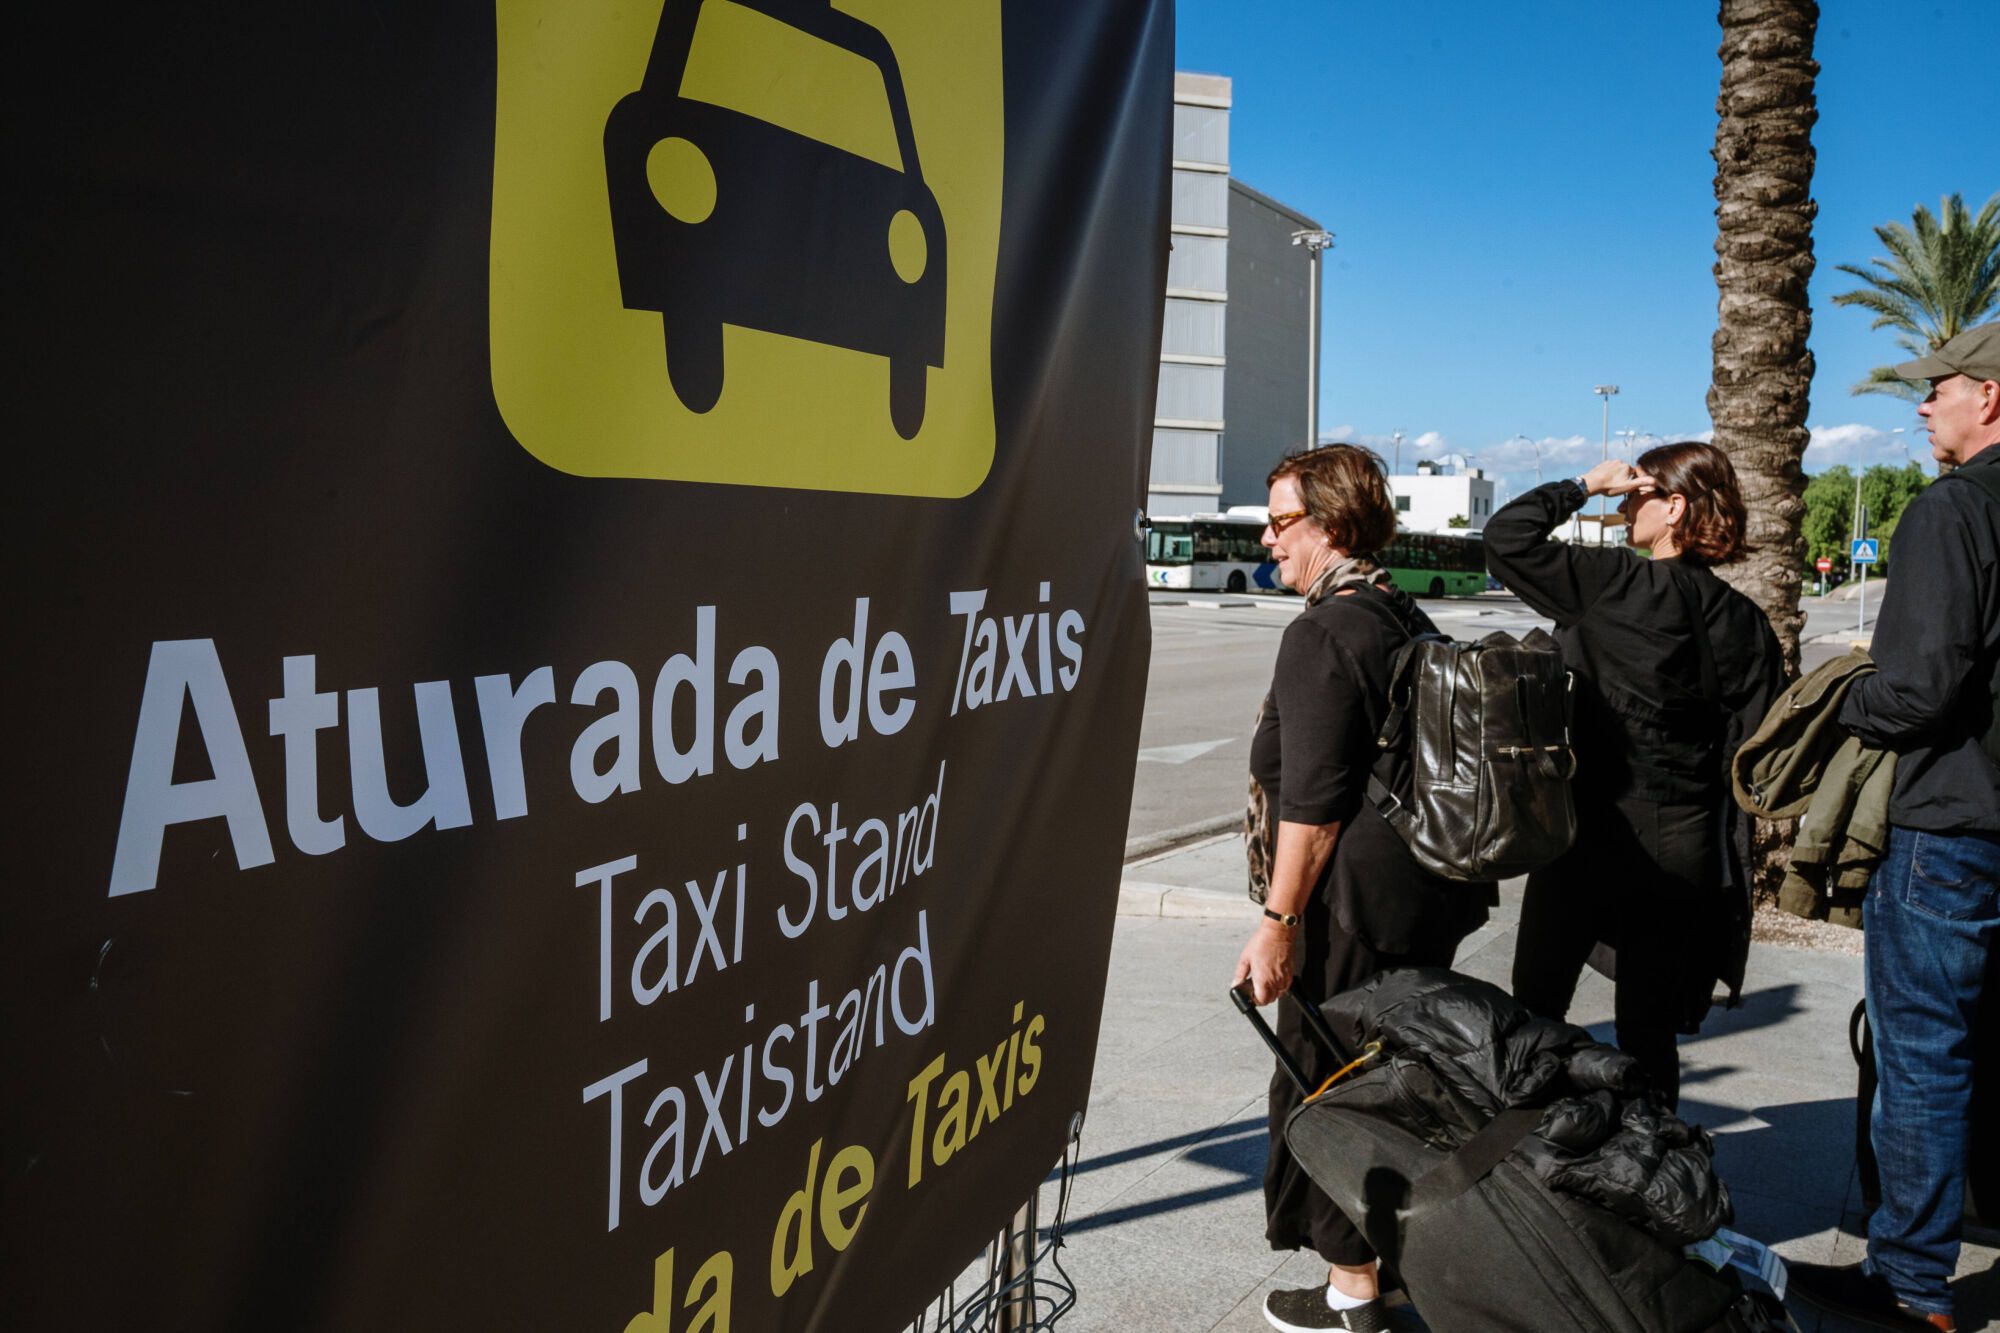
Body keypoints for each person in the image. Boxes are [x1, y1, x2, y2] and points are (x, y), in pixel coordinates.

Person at [1232, 444, 1493, 1333]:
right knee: (1392, 1079)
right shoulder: (1398, 611)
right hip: (1418, 890)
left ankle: (1352, 1295)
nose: (1268, 540)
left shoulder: (1323, 630)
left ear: (1330, 525)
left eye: (1279, 520)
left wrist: (1278, 921)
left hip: (1348, 904)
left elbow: (1312, 805)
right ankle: (1388, 1269)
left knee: (1328, 1088)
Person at [1787, 323, 2000, 1333]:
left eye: (1936, 389)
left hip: (1954, 829)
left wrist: (1842, 700)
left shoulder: (1951, 510)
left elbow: (1915, 693)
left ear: (1988, 397)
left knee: (1920, 1055)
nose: (1921, 406)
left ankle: (1910, 1283)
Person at [1484, 441, 1781, 1109]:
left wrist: (1583, 484)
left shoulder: (1615, 583)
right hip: (1686, 839)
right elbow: (1755, 745)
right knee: (1648, 1030)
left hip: (1589, 829)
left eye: (1636, 493)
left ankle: (1529, 1155)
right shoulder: (1747, 623)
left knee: (1536, 1009)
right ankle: (1654, 1172)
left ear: (1674, 507)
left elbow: (1505, 538)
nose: (1623, 503)